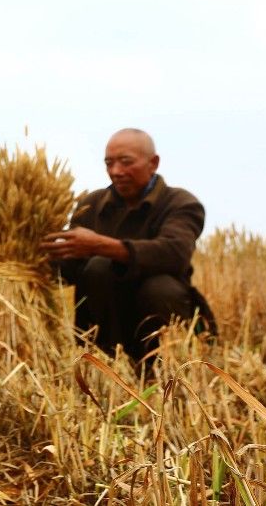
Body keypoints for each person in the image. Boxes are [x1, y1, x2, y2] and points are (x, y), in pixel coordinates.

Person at [42, 128, 215, 362]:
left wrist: (99, 246)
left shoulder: (180, 203)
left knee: (159, 286)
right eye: (109, 163)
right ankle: (105, 360)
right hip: (106, 323)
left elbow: (174, 254)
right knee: (97, 269)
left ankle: (163, 365)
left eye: (126, 162)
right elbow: (70, 268)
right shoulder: (91, 205)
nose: (116, 171)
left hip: (160, 316)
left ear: (153, 163)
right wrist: (29, 258)